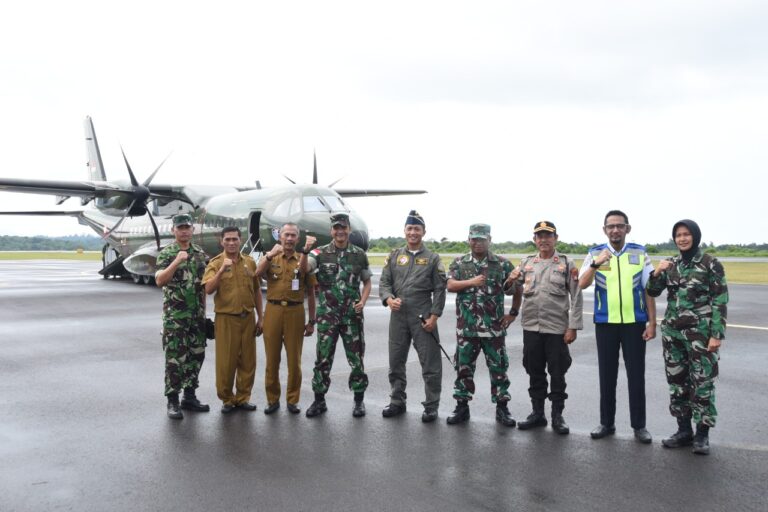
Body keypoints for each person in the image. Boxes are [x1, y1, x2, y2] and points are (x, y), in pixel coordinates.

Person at [646, 220, 728, 455]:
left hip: (700, 336)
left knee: (702, 384)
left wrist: (716, 335)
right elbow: (652, 291)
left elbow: (720, 300)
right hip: (673, 335)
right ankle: (683, 431)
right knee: (677, 383)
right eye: (678, 235)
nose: (682, 239)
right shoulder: (672, 264)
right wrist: (658, 271)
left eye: (686, 234)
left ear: (695, 236)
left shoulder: (710, 263)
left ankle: (702, 435)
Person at [578, 210, 656, 443]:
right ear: (604, 230)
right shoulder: (594, 253)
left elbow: (649, 290)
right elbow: (581, 284)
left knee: (636, 376)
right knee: (607, 374)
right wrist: (595, 264)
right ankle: (606, 423)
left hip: (635, 323)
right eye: (610, 226)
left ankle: (639, 426)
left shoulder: (639, 253)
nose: (615, 230)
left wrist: (652, 323)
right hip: (606, 323)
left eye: (619, 226)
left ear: (627, 229)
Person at [508, 221, 583, 435]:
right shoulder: (526, 263)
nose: (543, 240)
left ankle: (557, 416)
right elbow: (510, 289)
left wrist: (573, 327)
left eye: (548, 236)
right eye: (539, 236)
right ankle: (537, 413)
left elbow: (576, 297)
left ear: (555, 238)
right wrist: (510, 281)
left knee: (557, 372)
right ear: (534, 240)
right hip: (531, 327)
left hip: (557, 329)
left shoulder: (567, 264)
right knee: (534, 371)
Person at [445, 223, 518, 427]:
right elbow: (450, 285)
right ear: (468, 240)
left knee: (499, 369)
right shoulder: (459, 263)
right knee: (463, 368)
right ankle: (462, 407)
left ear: (489, 240)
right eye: (474, 239)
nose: (478, 242)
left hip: (494, 329)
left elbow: (514, 288)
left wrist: (513, 313)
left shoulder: (502, 264)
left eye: (482, 239)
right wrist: (470, 283)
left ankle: (502, 408)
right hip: (467, 328)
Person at [379, 210, 447, 423]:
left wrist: (434, 316)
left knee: (430, 364)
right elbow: (384, 283)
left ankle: (431, 406)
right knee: (396, 361)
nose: (413, 232)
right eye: (409, 228)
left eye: (417, 229)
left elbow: (440, 289)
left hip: (423, 317)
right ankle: (397, 401)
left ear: (424, 232)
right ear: (405, 231)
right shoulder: (394, 256)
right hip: (398, 316)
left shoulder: (433, 259)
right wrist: (389, 299)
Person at [304, 213, 373, 418]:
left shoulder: (359, 254)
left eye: (343, 227)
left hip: (352, 316)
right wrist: (304, 251)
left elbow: (367, 281)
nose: (340, 231)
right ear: (331, 231)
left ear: (349, 229)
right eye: (336, 228)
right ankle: (319, 401)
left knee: (356, 360)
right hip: (327, 317)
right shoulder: (319, 253)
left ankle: (359, 401)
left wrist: (363, 301)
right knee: (323, 359)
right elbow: (304, 269)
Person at [255, 223, 316, 415]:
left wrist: (312, 321)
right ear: (279, 237)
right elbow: (257, 273)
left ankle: (292, 400)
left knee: (294, 360)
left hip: (295, 312)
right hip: (273, 310)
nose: (289, 239)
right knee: (272, 360)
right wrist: (269, 255)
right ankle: (272, 400)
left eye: (293, 236)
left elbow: (311, 292)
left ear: (297, 239)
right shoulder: (271, 256)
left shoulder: (302, 259)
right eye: (286, 235)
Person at [154, 213, 210, 420]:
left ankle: (189, 395)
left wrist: (205, 313)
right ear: (173, 231)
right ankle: (172, 400)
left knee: (196, 355)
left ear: (192, 230)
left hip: (196, 316)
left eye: (187, 227)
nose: (184, 230)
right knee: (175, 359)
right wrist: (176, 261)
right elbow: (160, 280)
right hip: (175, 316)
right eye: (180, 227)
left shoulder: (199, 254)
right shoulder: (167, 253)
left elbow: (205, 285)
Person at [202, 227, 264, 414]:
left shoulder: (250, 262)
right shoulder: (215, 263)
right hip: (226, 318)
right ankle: (227, 399)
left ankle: (243, 397)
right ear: (222, 241)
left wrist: (261, 317)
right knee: (226, 362)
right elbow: (208, 289)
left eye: (234, 239)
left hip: (247, 317)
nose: (231, 242)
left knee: (248, 361)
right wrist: (221, 271)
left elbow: (257, 291)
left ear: (240, 240)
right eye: (227, 239)